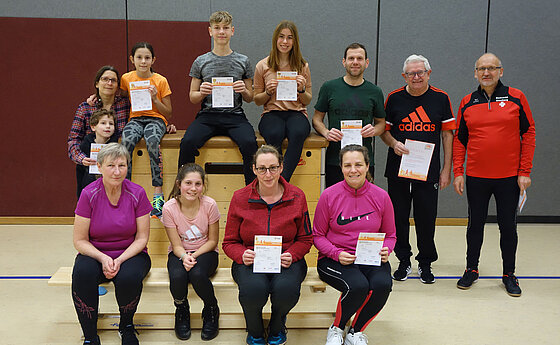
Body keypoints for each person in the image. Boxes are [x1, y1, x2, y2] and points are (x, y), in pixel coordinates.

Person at [453, 53, 536, 297]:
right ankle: (471, 269)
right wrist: (459, 171)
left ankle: (509, 274)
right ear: (475, 73)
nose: (486, 73)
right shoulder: (468, 101)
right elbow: (460, 140)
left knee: (507, 226)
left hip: (509, 177)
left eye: (491, 68)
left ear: (501, 71)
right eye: (481, 69)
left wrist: (524, 171)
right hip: (477, 177)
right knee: (474, 225)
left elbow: (529, 134)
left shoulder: (516, 97)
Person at [222, 145, 312, 345]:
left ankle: (277, 326)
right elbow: (229, 242)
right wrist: (242, 254)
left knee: (286, 289)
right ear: (253, 169)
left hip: (287, 259)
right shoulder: (240, 197)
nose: (268, 174)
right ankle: (254, 331)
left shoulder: (297, 196)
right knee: (253, 290)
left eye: (273, 167)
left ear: (281, 167)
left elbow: (306, 239)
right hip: (250, 260)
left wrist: (293, 254)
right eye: (262, 168)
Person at [380, 54, 455, 283]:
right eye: (411, 73)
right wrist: (393, 143)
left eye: (420, 72)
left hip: (428, 170)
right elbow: (384, 130)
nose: (416, 77)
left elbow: (447, 135)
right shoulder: (393, 98)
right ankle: (403, 260)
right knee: (399, 217)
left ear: (428, 73)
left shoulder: (441, 98)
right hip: (398, 168)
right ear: (404, 76)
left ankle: (425, 263)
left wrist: (446, 169)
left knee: (426, 217)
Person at [313, 145, 396, 345]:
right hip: (334, 259)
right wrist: (335, 253)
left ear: (367, 166)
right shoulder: (329, 195)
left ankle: (355, 332)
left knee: (382, 285)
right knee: (358, 286)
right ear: (341, 168)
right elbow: (317, 236)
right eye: (347, 165)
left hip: (370, 258)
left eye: (358, 164)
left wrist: (387, 249)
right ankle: (337, 328)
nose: (353, 170)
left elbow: (391, 235)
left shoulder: (381, 197)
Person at [71, 143, 152, 345]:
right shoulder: (88, 194)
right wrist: (103, 258)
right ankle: (90, 335)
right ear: (99, 167)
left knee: (129, 277)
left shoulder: (138, 193)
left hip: (131, 253)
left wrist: (120, 259)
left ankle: (126, 327)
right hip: (96, 252)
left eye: (122, 165)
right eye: (111, 166)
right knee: (82, 273)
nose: (117, 171)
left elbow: (142, 238)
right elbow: (79, 240)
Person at [178, 11, 258, 185]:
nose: (221, 31)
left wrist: (244, 90)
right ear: (210, 31)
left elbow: (251, 97)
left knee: (250, 143)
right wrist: (202, 92)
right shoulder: (201, 61)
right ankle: (183, 189)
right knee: (187, 143)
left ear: (232, 31)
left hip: (235, 116)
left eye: (226, 28)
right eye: (217, 28)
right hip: (208, 116)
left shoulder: (243, 61)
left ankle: (252, 191)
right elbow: (192, 97)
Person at [312, 43, 386, 187]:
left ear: (367, 62)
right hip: (335, 159)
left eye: (360, 58)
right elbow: (316, 119)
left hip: (364, 160)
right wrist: (326, 133)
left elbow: (381, 124)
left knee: (363, 205)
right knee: (336, 205)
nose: (355, 62)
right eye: (351, 58)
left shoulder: (375, 91)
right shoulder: (329, 87)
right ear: (344, 61)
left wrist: (373, 130)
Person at [162, 163, 220, 341]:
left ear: (203, 185)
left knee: (197, 273)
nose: (193, 189)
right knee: (178, 276)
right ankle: (181, 310)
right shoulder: (169, 208)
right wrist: (184, 256)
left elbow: (212, 241)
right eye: (188, 183)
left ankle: (211, 309)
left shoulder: (210, 205)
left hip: (205, 252)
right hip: (180, 252)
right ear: (179, 184)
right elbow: (176, 244)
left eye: (198, 184)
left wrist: (193, 256)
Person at [253, 20, 312, 182]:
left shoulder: (302, 66)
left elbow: (307, 100)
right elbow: (257, 100)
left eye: (289, 38)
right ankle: (272, 175)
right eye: (281, 37)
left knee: (298, 132)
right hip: (272, 113)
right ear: (275, 39)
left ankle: (282, 181)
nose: (285, 42)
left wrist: (301, 89)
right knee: (274, 133)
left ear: (295, 41)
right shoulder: (263, 65)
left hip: (296, 113)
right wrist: (267, 92)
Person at [120, 41, 173, 219]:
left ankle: (158, 195)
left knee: (152, 141)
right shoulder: (126, 78)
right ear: (132, 59)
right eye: (139, 57)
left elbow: (168, 112)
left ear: (153, 60)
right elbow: (120, 100)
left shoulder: (160, 80)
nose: (143, 61)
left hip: (156, 119)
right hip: (135, 119)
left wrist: (155, 99)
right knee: (126, 142)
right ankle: (125, 190)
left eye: (147, 58)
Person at [68, 65, 130, 198]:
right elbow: (73, 140)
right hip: (89, 166)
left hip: (117, 165)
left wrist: (164, 125)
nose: (109, 83)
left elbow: (144, 117)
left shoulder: (126, 104)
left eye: (113, 80)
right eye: (105, 79)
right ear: (97, 83)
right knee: (90, 202)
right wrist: (81, 158)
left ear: (118, 85)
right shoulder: (85, 108)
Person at [76, 109, 119, 195]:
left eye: (111, 124)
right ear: (93, 127)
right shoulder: (86, 144)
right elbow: (80, 172)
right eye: (103, 123)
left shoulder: (116, 145)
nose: (108, 126)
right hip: (89, 185)